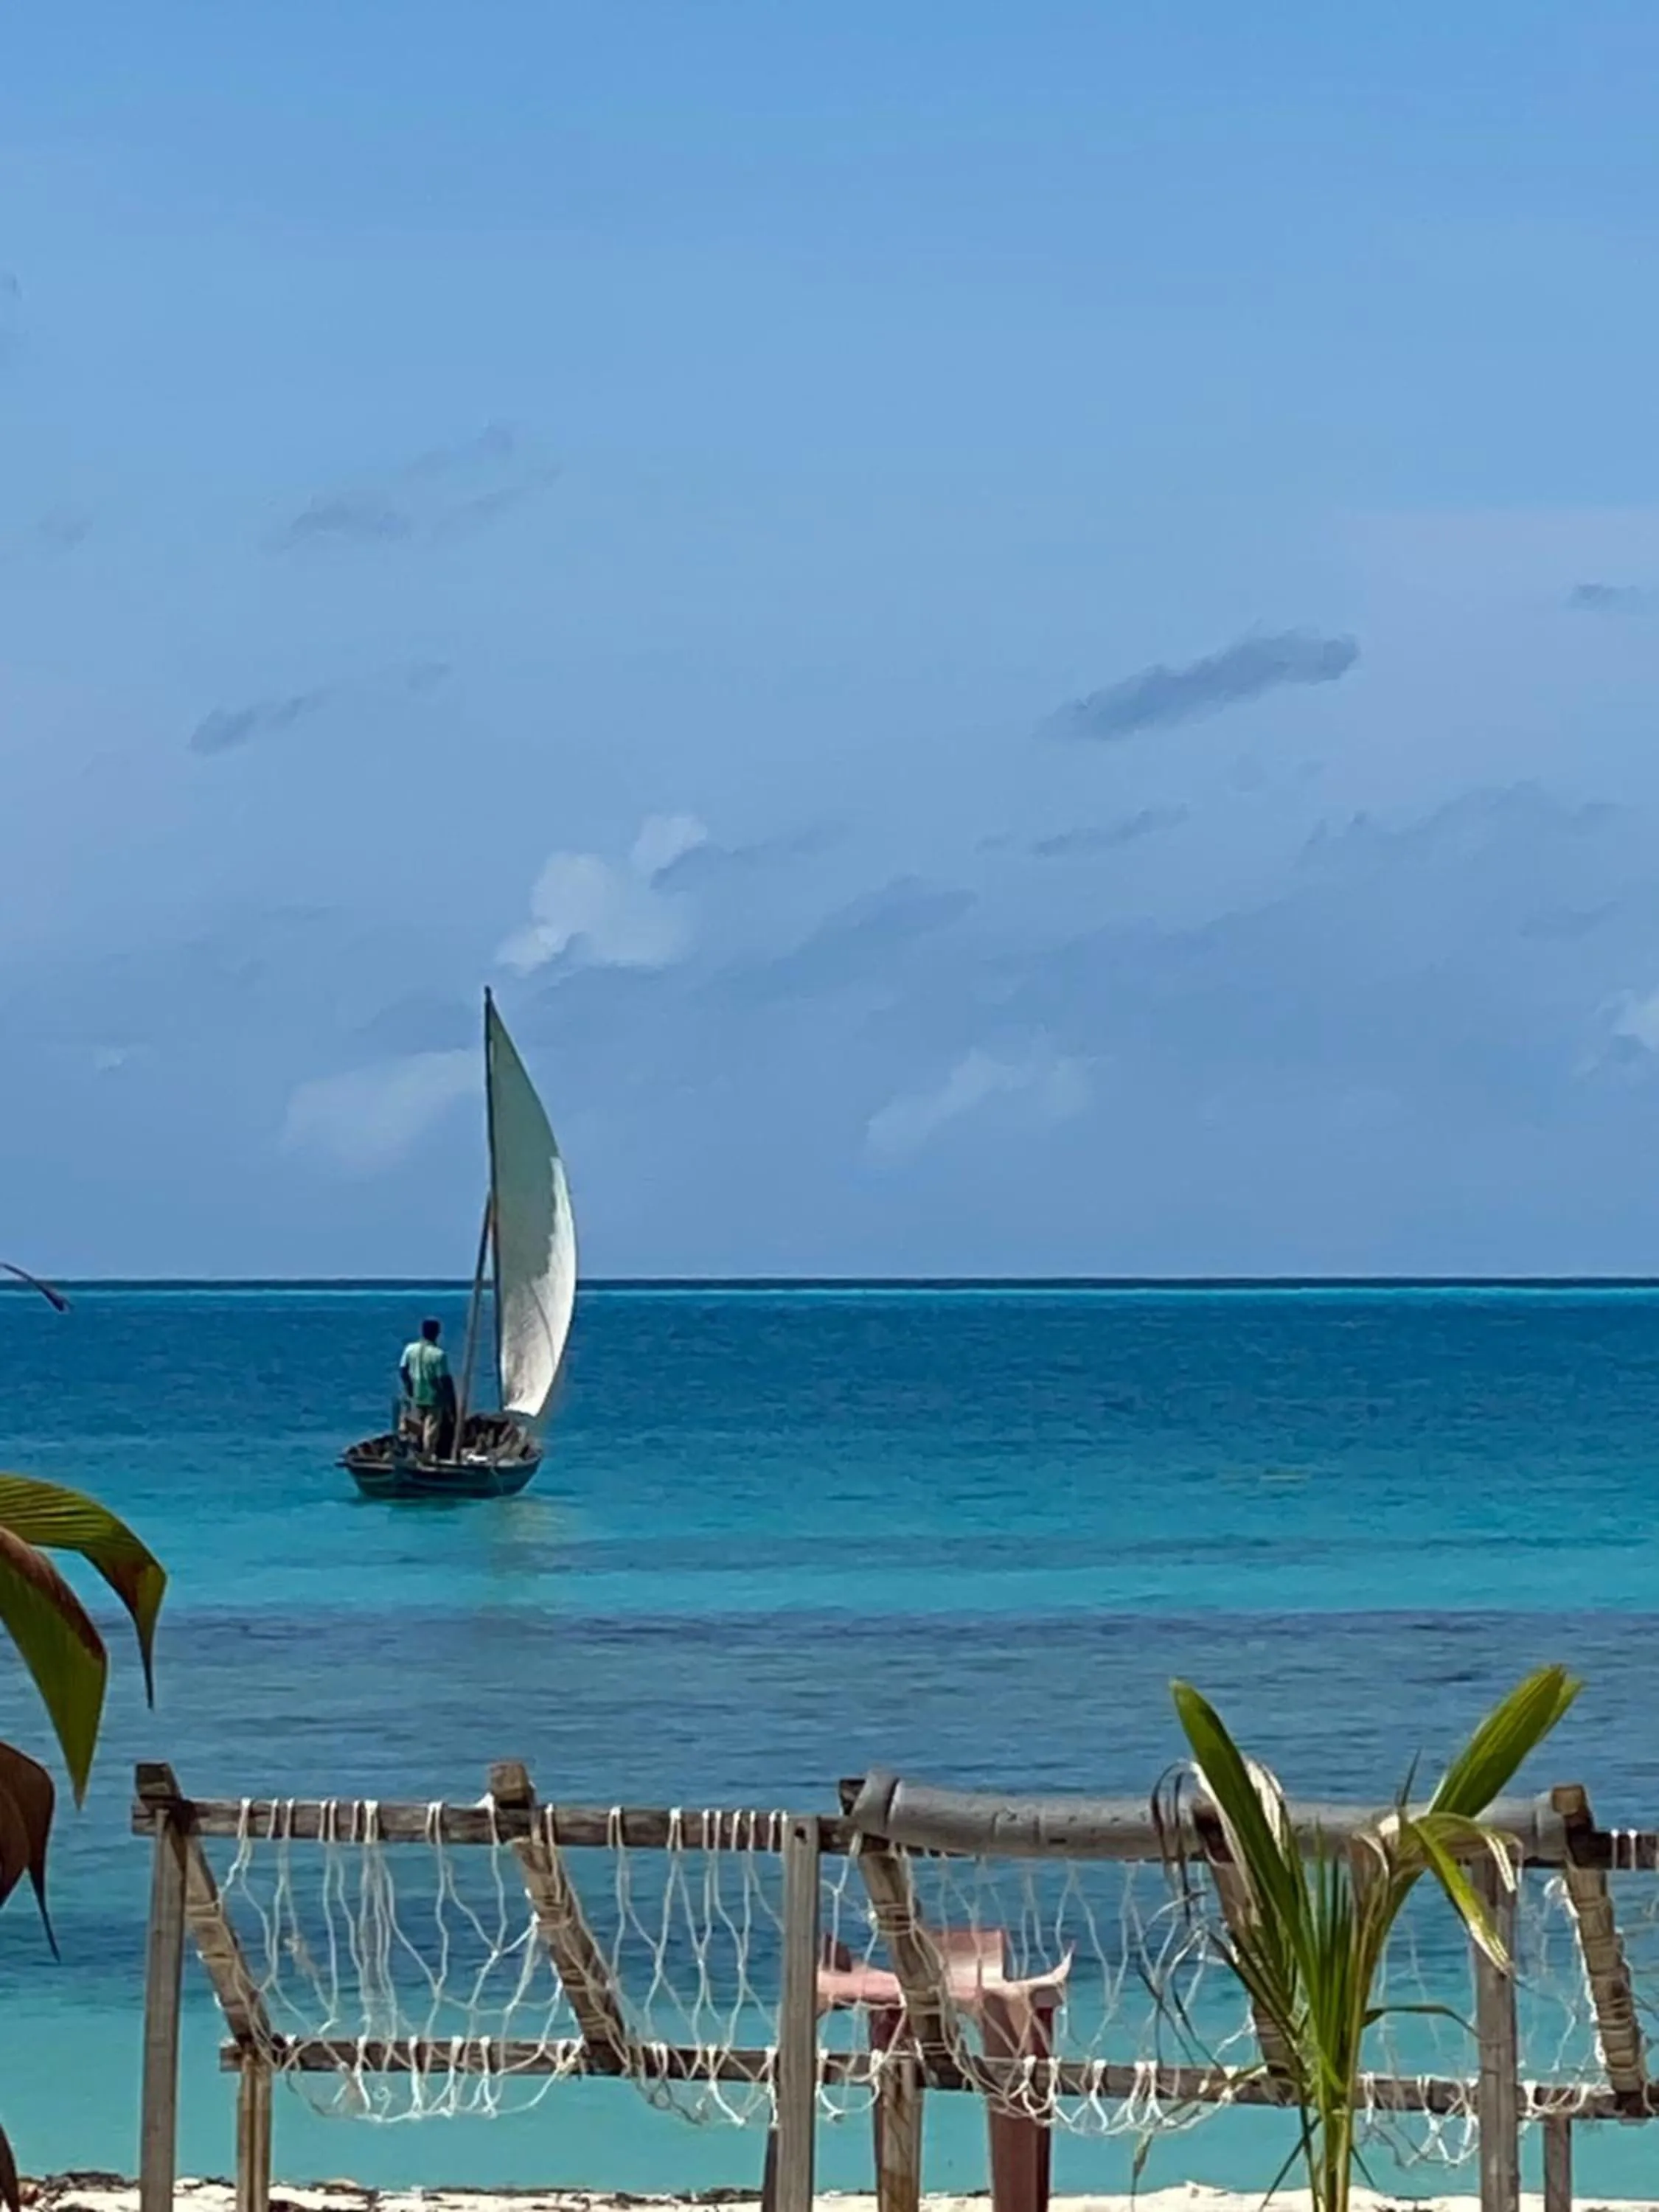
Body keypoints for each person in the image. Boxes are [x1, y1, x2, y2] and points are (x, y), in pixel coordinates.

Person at [400, 1319, 451, 1457]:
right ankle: (427, 1455)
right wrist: (448, 1399)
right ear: (437, 1333)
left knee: (422, 1424)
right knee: (432, 1428)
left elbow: (403, 1371)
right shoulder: (438, 1355)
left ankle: (407, 1425)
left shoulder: (410, 1349)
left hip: (417, 1394)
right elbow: (443, 1379)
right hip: (434, 1397)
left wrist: (409, 1387)